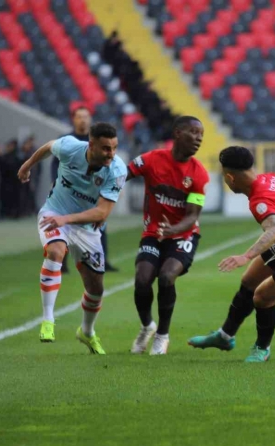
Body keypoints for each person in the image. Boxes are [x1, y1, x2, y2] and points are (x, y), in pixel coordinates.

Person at [188, 146, 275, 362]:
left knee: (262, 297)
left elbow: (274, 231)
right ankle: (225, 336)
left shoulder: (259, 200)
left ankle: (262, 348)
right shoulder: (271, 178)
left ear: (230, 177)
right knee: (249, 281)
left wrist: (245, 256)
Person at [17, 122, 127, 354]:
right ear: (92, 145)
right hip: (54, 213)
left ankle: (86, 332)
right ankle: (48, 320)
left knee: (96, 288)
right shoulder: (69, 147)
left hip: (86, 227)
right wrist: (28, 165)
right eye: (106, 148)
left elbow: (102, 212)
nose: (112, 154)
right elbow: (48, 147)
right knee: (56, 251)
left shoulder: (116, 170)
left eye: (114, 148)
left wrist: (67, 220)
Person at [126, 116, 209, 355]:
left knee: (166, 277)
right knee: (142, 279)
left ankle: (162, 335)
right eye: (193, 132)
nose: (199, 138)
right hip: (153, 233)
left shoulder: (198, 174)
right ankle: (146, 327)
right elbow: (125, 172)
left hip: (183, 235)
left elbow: (193, 215)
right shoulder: (152, 160)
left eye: (201, 134)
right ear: (177, 133)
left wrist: (173, 230)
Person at [52, 106, 119, 274]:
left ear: (90, 120)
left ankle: (102, 260)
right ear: (73, 119)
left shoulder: (98, 141)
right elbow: (55, 164)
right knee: (66, 226)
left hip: (93, 191)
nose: (82, 120)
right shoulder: (66, 140)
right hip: (70, 191)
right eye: (79, 116)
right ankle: (62, 263)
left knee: (99, 224)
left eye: (85, 116)